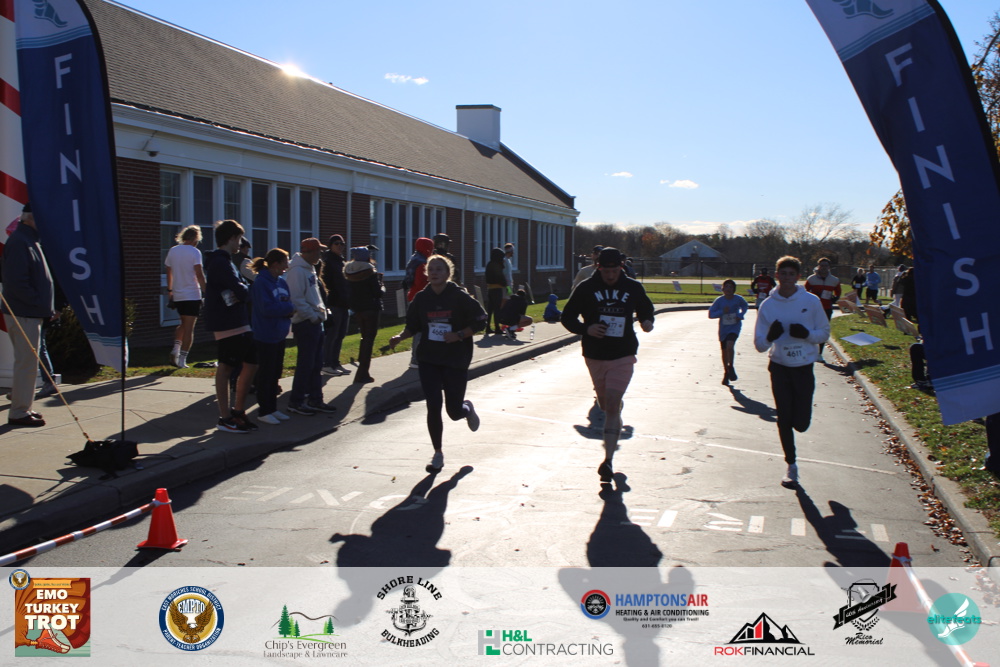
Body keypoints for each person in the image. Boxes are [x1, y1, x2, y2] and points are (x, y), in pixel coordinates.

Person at [561, 247, 655, 482]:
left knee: (612, 405)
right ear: (598, 267)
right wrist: (587, 329)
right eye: (606, 271)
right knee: (605, 405)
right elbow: (567, 317)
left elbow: (646, 308)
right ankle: (615, 408)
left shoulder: (632, 287)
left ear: (621, 268)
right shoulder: (586, 288)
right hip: (595, 353)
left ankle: (608, 461)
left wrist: (647, 321)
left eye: (615, 271)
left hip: (623, 353)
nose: (611, 276)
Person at [389, 255, 486, 473]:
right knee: (433, 405)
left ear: (448, 273)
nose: (434, 272)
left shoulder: (459, 297)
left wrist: (459, 334)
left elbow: (481, 320)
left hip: (455, 359)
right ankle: (438, 454)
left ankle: (466, 409)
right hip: (429, 359)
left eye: (439, 269)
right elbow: (413, 325)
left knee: (453, 411)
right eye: (431, 269)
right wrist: (400, 337)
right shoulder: (422, 299)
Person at [753, 256, 830, 488]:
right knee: (784, 418)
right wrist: (770, 336)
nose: (786, 278)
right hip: (779, 367)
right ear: (777, 276)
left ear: (798, 277)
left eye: (791, 274)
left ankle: (800, 427)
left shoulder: (811, 301)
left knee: (801, 423)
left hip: (803, 368)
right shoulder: (768, 305)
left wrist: (807, 334)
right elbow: (759, 345)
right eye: (783, 273)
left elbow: (824, 333)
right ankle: (791, 465)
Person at [2, 203, 55, 427]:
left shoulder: (30, 240)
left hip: (29, 312)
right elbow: (16, 283)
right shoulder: (20, 242)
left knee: (27, 363)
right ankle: (19, 412)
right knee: (27, 364)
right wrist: (39, 304)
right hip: (24, 313)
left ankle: (23, 406)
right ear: (30, 219)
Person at [203, 219, 258, 433]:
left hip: (238, 320)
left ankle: (238, 411)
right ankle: (225, 417)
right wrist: (244, 289)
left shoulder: (227, 261)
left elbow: (240, 289)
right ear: (231, 238)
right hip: (227, 323)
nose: (241, 243)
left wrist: (242, 289)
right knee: (226, 367)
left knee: (252, 362)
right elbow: (240, 289)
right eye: (239, 238)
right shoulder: (220, 262)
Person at [285, 237, 335, 416]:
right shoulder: (297, 271)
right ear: (310, 252)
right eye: (318, 251)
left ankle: (316, 398)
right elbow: (297, 299)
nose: (320, 255)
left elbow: (314, 296)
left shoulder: (309, 269)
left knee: (316, 364)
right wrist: (313, 317)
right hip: (306, 323)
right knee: (306, 364)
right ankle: (296, 401)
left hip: (316, 322)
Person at [249, 248, 294, 425]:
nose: (286, 266)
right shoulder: (261, 282)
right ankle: (264, 410)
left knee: (275, 372)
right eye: (284, 263)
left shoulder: (281, 282)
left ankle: (272, 408)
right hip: (265, 334)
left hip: (279, 334)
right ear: (275, 264)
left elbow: (288, 301)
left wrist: (287, 308)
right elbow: (266, 308)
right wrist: (288, 309)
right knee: (266, 374)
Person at [165, 225, 206, 369]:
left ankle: (175, 349)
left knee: (182, 323)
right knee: (189, 328)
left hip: (178, 294)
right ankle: (182, 359)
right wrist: (206, 290)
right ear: (196, 238)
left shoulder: (173, 250)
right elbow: (199, 273)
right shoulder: (195, 252)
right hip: (192, 294)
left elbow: (168, 271)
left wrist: (170, 290)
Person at [345, 246, 384, 384]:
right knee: (369, 340)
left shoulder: (349, 272)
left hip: (358, 310)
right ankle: (362, 373)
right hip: (371, 309)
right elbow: (377, 293)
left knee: (364, 338)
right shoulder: (370, 272)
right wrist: (382, 285)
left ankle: (362, 371)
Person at [708, 279, 749, 385]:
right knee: (724, 350)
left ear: (734, 289)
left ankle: (731, 366)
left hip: (734, 327)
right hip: (723, 329)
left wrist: (740, 315)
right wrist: (722, 311)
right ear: (723, 289)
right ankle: (726, 371)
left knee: (730, 345)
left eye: (730, 287)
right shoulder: (719, 301)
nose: (728, 289)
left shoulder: (738, 299)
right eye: (726, 287)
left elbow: (745, 306)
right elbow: (711, 314)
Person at [321, 234, 351, 376]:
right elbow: (326, 283)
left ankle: (335, 362)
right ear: (330, 245)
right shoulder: (327, 261)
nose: (339, 246)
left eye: (342, 244)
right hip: (334, 302)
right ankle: (327, 363)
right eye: (336, 243)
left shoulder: (341, 261)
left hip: (344, 303)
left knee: (340, 334)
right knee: (332, 334)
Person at [403, 237, 434, 367]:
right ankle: (416, 358)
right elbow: (422, 283)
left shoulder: (414, 260)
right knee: (420, 330)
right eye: (430, 247)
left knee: (419, 329)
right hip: (420, 298)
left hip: (413, 296)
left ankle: (419, 357)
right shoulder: (422, 264)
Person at [804, 257, 841, 360]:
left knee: (823, 330)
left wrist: (835, 298)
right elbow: (804, 292)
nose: (824, 268)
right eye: (822, 265)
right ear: (818, 266)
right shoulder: (811, 279)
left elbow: (838, 292)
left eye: (826, 266)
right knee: (812, 329)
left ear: (829, 267)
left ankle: (819, 353)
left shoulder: (834, 280)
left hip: (827, 308)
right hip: (813, 309)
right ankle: (810, 350)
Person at [484, 247, 507, 334]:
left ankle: (488, 327)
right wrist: (505, 284)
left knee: (490, 309)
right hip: (497, 289)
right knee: (497, 309)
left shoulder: (489, 264)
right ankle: (497, 327)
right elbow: (501, 278)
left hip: (490, 289)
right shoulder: (497, 265)